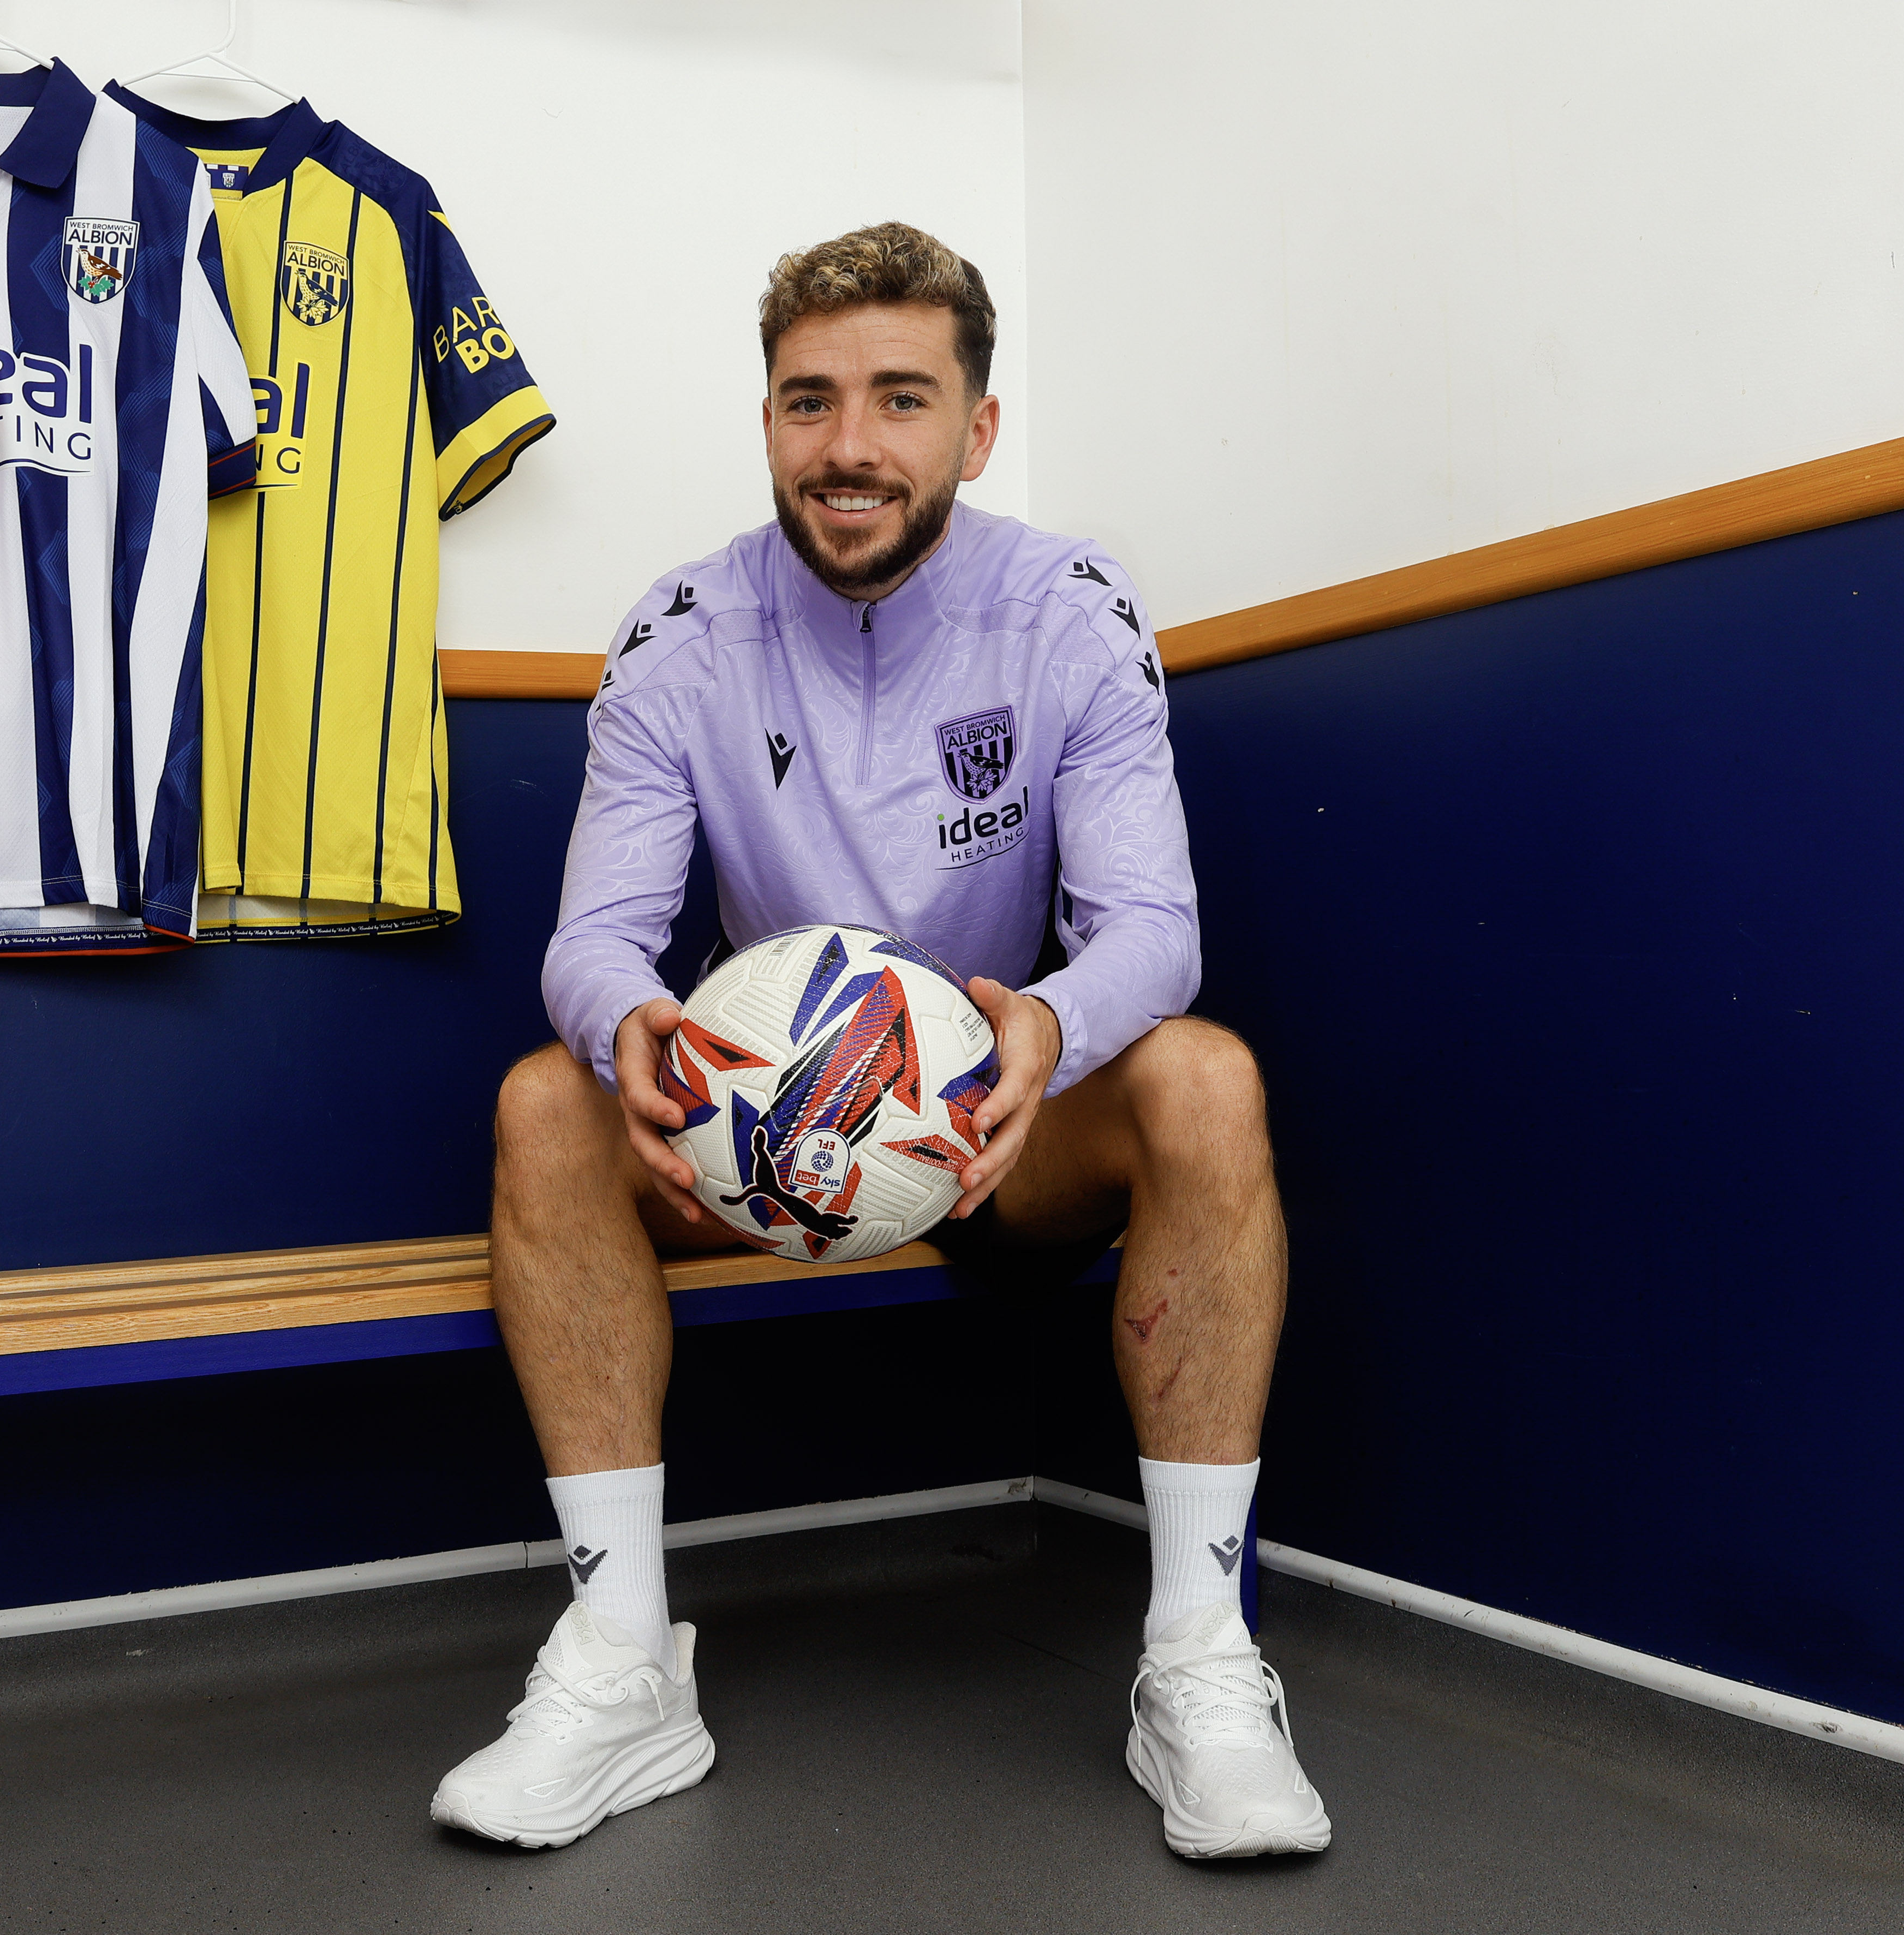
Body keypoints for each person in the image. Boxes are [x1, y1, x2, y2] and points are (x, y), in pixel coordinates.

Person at [427, 223, 1329, 1861]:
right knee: (539, 1105)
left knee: (1205, 1072)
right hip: (755, 1140)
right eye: (807, 400)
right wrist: (625, 1019)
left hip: (996, 1118)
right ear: (766, 416)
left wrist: (1045, 1025)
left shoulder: (1066, 607)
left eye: (899, 399)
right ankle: (625, 1661)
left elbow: (1155, 931)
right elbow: (594, 936)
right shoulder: (680, 629)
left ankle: (1197, 1659)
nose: (848, 445)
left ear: (973, 430)